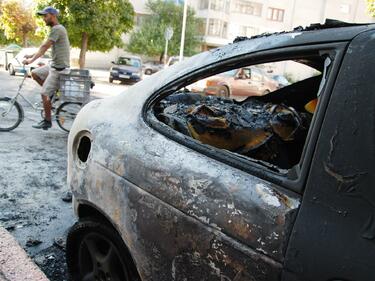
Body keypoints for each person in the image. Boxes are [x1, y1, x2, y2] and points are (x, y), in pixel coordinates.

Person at [23, 6, 70, 130]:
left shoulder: (57, 29)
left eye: (46, 16)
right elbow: (43, 46)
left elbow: (44, 48)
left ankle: (47, 121)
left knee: (44, 93)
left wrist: (30, 60)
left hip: (60, 69)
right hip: (54, 66)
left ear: (53, 16)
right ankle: (52, 94)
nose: (44, 19)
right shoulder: (55, 29)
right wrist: (31, 55)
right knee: (35, 73)